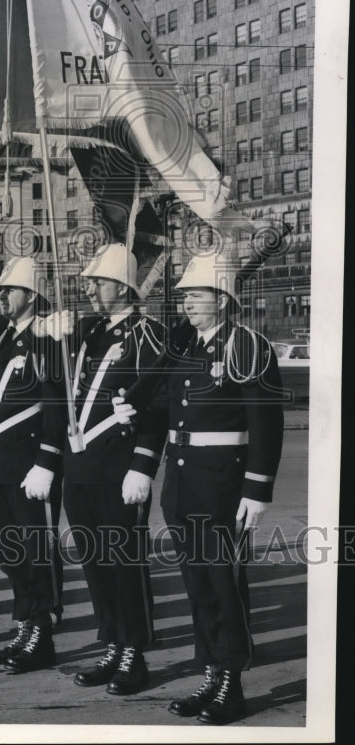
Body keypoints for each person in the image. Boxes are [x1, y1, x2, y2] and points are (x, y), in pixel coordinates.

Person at [160, 252, 284, 726]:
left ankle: (232, 680)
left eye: (197, 293)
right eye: (185, 295)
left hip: (223, 487)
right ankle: (210, 672)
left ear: (223, 298)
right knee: (196, 586)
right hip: (183, 482)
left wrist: (257, 490)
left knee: (224, 584)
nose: (187, 302)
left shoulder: (247, 346)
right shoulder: (185, 346)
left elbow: (265, 424)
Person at [59, 243, 166, 695]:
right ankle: (111, 642)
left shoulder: (148, 334)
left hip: (120, 468)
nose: (90, 288)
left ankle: (133, 652)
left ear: (122, 287)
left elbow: (157, 406)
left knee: (124, 563)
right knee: (95, 563)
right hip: (81, 466)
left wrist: (142, 466)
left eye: (98, 282)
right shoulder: (90, 333)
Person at [0, 256, 65, 674]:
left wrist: (47, 461)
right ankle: (24, 624)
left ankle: (41, 631)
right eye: (0, 291)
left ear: (32, 295)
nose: (1, 296)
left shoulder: (47, 337)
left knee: (36, 551)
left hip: (29, 462)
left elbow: (57, 403)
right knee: (11, 552)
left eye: (9, 290)